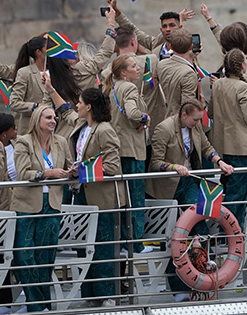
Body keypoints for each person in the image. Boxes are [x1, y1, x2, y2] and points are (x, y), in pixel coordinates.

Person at [147, 99, 233, 301]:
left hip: (189, 184)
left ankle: (203, 273)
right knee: (176, 237)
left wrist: (219, 161)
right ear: (183, 115)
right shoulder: (164, 129)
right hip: (169, 188)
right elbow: (155, 162)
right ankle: (179, 287)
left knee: (200, 223)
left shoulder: (195, 128)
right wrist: (174, 167)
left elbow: (207, 147)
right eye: (195, 119)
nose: (197, 122)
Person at [66, 88, 126, 307]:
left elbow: (113, 166)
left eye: (80, 102)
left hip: (103, 199)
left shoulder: (105, 130)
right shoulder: (81, 127)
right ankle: (89, 295)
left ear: (89, 106)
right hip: (82, 195)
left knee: (103, 247)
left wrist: (80, 170)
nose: (77, 105)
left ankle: (107, 295)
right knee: (84, 246)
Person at [11, 105, 72, 312]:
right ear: (37, 120)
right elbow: (22, 172)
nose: (53, 121)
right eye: (48, 117)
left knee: (46, 258)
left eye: (54, 117)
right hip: (27, 205)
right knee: (25, 255)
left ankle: (42, 305)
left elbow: (70, 166)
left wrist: (72, 172)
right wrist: (46, 173)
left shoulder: (61, 142)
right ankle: (36, 304)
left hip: (52, 204)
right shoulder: (24, 141)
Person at [208, 49, 247, 248]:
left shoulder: (218, 85)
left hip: (222, 146)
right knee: (237, 194)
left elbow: (210, 111)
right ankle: (229, 234)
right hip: (241, 147)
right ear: (243, 66)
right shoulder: (243, 87)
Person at [104, 54, 150, 254]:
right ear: (124, 72)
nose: (138, 68)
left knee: (122, 199)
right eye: (133, 66)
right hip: (132, 149)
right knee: (135, 198)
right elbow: (132, 113)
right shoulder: (129, 88)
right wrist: (144, 118)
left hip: (118, 149)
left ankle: (123, 241)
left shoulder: (113, 87)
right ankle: (136, 244)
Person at [10, 36, 81, 134]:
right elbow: (14, 103)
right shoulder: (25, 72)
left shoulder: (58, 72)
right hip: (34, 129)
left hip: (58, 129)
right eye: (48, 48)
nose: (51, 51)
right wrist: (36, 106)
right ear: (38, 52)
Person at [110, 25, 167, 135]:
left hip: (121, 131)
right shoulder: (151, 60)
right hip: (153, 128)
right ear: (133, 42)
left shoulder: (107, 72)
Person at [107, 0, 193, 60]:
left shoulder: (188, 50)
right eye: (164, 26)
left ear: (180, 26)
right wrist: (115, 10)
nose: (168, 29)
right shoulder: (156, 45)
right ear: (161, 29)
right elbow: (134, 31)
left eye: (172, 25)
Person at [199, 4, 247, 90]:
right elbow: (221, 36)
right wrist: (208, 18)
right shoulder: (238, 57)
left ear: (225, 46)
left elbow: (243, 92)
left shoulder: (245, 64)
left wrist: (219, 84)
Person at [157, 29, 204, 118]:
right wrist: (201, 106)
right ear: (191, 47)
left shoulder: (161, 64)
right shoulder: (188, 73)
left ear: (170, 47)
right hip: (181, 123)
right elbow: (187, 108)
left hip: (167, 118)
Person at [0, 114, 15, 312]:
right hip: (1, 207)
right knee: (2, 255)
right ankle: (3, 300)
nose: (16, 132)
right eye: (13, 128)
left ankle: (4, 300)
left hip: (2, 207)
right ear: (4, 133)